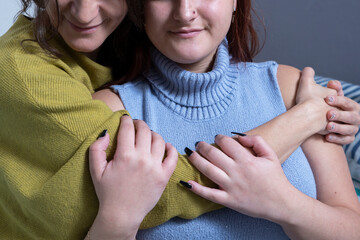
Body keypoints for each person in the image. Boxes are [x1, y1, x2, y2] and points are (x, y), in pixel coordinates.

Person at [0, 0, 358, 239]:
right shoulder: (106, 111)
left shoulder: (295, 89)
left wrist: (286, 206)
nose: (184, 11)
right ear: (141, 8)